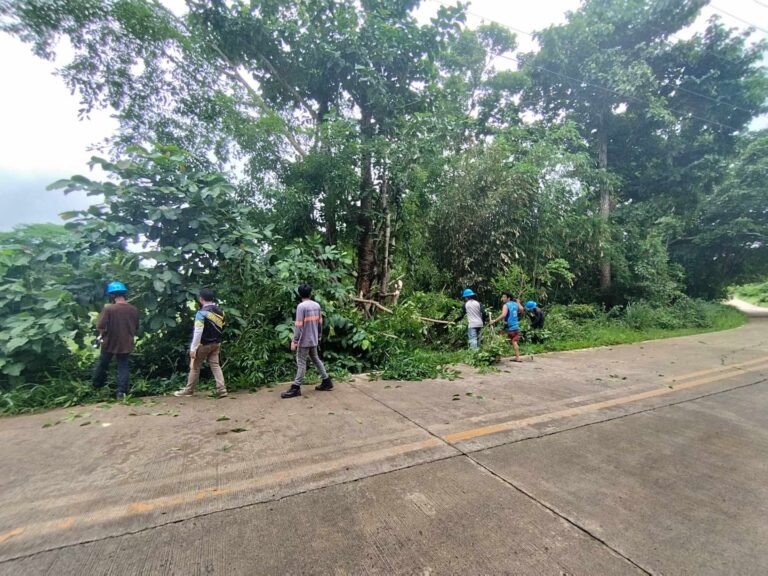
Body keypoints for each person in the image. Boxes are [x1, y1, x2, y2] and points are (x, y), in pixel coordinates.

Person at [281, 283, 333, 399]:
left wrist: (294, 342)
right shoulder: (316, 305)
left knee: (301, 362)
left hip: (304, 340)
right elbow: (320, 323)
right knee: (315, 358)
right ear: (310, 293)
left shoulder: (301, 307)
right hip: (314, 338)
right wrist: (319, 337)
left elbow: (299, 326)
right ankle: (326, 381)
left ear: (299, 294)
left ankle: (296, 388)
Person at [174, 287, 228, 398]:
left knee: (195, 366)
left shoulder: (201, 313)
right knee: (215, 365)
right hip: (216, 343)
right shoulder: (221, 312)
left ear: (201, 299)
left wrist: (193, 348)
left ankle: (189, 390)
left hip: (204, 345)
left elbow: (198, 331)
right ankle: (222, 389)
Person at [92, 281, 140, 399]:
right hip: (126, 342)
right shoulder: (133, 309)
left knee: (103, 364)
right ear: (124, 294)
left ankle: (96, 387)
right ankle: (122, 392)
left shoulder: (109, 309)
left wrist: (102, 335)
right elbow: (136, 326)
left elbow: (101, 325)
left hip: (109, 342)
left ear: (112, 296)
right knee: (123, 366)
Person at [490, 291, 524, 362]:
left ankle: (498, 358)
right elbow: (521, 310)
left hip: (509, 327)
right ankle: (518, 357)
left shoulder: (506, 305)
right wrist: (518, 302)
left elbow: (504, 315)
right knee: (514, 341)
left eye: (504, 297)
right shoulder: (515, 304)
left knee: (500, 340)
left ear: (508, 298)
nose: (502, 298)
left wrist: (494, 320)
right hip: (516, 327)